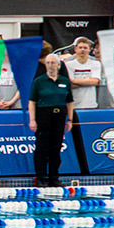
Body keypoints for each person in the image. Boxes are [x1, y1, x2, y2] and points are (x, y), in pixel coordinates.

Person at [27, 53, 73, 187]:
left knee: (56, 147)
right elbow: (32, 101)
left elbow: (69, 102)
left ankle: (54, 177)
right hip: (43, 116)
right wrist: (33, 120)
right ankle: (41, 177)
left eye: (53, 63)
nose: (50, 66)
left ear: (59, 65)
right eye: (47, 63)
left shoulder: (65, 81)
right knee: (42, 148)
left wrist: (69, 119)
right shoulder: (39, 81)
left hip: (59, 116)